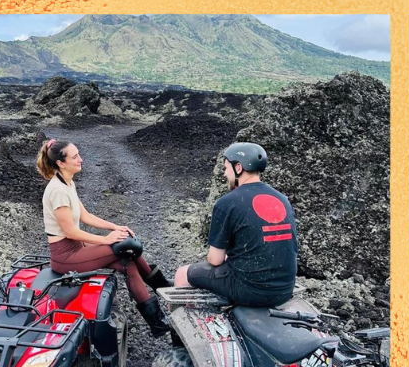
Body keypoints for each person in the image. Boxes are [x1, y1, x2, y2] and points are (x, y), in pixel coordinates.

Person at [37, 138, 170, 336]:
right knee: (125, 246)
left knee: (127, 259)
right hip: (65, 257)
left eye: (79, 154)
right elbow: (70, 232)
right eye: (75, 157)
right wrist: (106, 239)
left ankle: (158, 320)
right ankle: (164, 290)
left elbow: (85, 216)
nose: (81, 159)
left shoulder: (67, 184)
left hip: (77, 248)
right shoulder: (57, 191)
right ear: (61, 163)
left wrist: (115, 226)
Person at [175, 143, 298, 308]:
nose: (225, 174)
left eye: (226, 168)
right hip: (284, 290)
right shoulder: (282, 199)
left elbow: (215, 259)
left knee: (182, 274)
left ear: (238, 167)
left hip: (250, 290)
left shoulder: (227, 202)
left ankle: (182, 328)